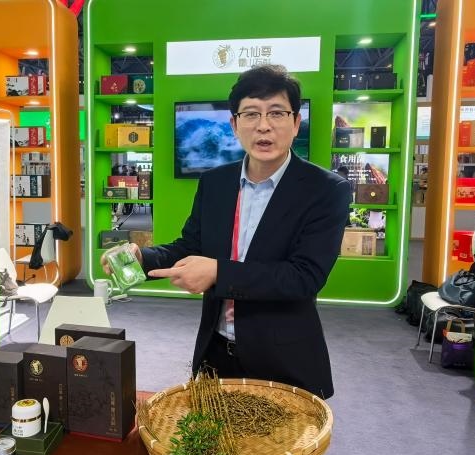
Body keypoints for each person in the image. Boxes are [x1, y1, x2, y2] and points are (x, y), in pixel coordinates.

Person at [101, 64, 350, 398]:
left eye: (277, 113)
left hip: (283, 360)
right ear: (234, 125)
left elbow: (304, 276)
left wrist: (219, 272)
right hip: (216, 352)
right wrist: (142, 256)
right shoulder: (215, 182)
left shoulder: (325, 190)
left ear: (295, 123)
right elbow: (191, 246)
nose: (264, 125)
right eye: (251, 114)